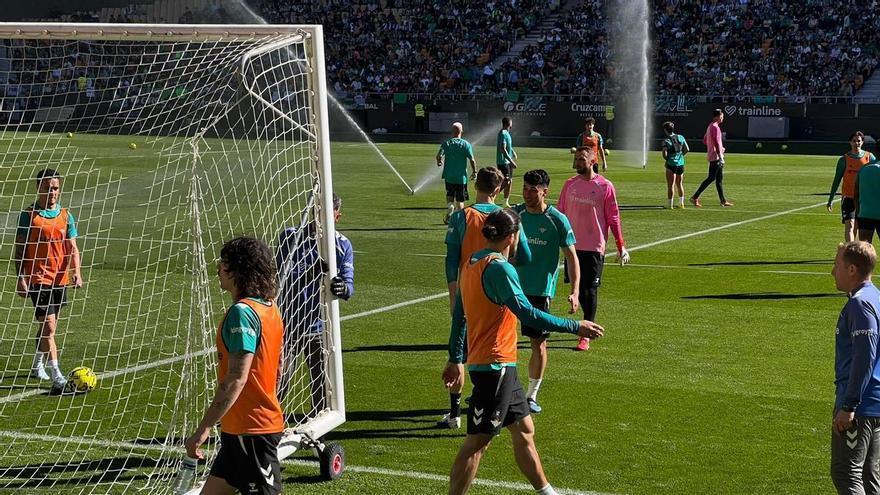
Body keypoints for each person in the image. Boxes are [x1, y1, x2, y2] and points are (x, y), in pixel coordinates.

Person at [443, 209, 605, 495]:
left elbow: (459, 316)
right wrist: (574, 326)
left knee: (525, 431)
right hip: (495, 366)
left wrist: (455, 357)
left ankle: (547, 492)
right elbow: (528, 313)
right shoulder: (499, 269)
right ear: (513, 236)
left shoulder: (471, 262)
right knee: (476, 443)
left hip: (501, 365)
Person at [185, 236, 285, 495]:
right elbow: (279, 366)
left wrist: (204, 428)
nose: (218, 269)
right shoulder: (270, 309)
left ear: (238, 269)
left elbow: (236, 379)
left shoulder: (243, 313)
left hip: (251, 431)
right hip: (241, 430)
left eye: (223, 263)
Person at [439, 167, 532, 429]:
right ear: (498, 190)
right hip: (496, 295)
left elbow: (450, 260)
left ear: (475, 185)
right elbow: (525, 257)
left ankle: (455, 412)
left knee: (459, 349)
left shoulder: (461, 217)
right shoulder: (509, 217)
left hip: (467, 292)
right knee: (491, 350)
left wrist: (453, 294)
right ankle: (486, 404)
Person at [276, 194, 354, 412]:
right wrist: (311, 274)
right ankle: (269, 429)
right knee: (278, 381)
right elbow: (282, 278)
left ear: (338, 216)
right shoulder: (290, 237)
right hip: (288, 325)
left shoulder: (342, 245)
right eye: (317, 211)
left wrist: (342, 288)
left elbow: (349, 285)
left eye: (328, 214)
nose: (320, 218)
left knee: (322, 388)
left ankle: (318, 435)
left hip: (319, 327)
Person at [512, 169, 579, 414]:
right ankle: (500, 389)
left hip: (539, 291)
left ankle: (531, 395)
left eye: (533, 190)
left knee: (537, 344)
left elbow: (572, 256)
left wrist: (575, 290)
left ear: (545, 192)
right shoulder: (514, 214)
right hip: (510, 288)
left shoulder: (557, 219)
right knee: (501, 339)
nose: (528, 194)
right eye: (525, 189)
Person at [14, 168, 83, 394]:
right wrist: (21, 278)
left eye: (55, 188)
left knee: (48, 328)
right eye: (47, 188)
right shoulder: (29, 215)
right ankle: (57, 375)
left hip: (60, 279)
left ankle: (38, 363)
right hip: (38, 278)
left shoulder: (66, 215)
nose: (52, 192)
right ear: (38, 188)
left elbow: (72, 247)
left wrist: (77, 272)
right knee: (49, 326)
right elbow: (20, 248)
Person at [558, 150, 629, 351]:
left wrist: (620, 244)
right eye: (576, 159)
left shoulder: (605, 186)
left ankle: (586, 334)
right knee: (577, 288)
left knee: (589, 290)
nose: (577, 162)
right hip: (571, 246)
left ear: (592, 162)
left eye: (581, 159)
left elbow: (613, 217)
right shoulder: (569, 184)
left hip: (594, 246)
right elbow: (560, 212)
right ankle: (583, 320)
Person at [829, 241, 880, 494]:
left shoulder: (860, 305)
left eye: (836, 265)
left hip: (860, 405)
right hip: (874, 402)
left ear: (851, 270)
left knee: (846, 473)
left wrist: (849, 405)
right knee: (869, 475)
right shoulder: (876, 297)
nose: (832, 271)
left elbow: (865, 356)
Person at [828, 131, 875, 242]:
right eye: (854, 141)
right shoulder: (844, 160)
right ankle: (851, 251)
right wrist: (830, 199)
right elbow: (837, 180)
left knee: (859, 227)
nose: (856, 143)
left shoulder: (869, 157)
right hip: (848, 197)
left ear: (862, 142)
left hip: (864, 199)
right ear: (850, 142)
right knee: (850, 226)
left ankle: (856, 251)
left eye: (858, 141)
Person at [691, 109, 733, 207]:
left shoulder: (710, 127)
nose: (723, 118)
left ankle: (723, 200)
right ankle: (695, 197)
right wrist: (720, 155)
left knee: (718, 179)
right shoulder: (715, 128)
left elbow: (705, 140)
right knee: (712, 178)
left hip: (713, 155)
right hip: (716, 157)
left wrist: (711, 147)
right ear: (717, 116)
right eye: (722, 116)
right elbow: (717, 143)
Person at [437, 122, 477, 224]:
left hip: (449, 176)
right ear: (461, 131)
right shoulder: (466, 144)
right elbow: (472, 160)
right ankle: (458, 220)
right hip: (461, 178)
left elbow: (439, 155)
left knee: (450, 196)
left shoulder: (446, 143)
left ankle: (450, 206)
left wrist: (439, 161)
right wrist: (474, 171)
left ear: (452, 131)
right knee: (460, 201)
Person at [661, 121, 689, 209]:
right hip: (680, 163)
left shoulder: (666, 141)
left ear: (665, 130)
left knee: (670, 185)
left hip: (671, 164)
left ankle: (670, 205)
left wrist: (669, 159)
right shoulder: (681, 137)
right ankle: (681, 203)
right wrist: (680, 156)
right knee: (679, 184)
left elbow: (664, 154)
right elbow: (687, 149)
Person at [855, 157, 880, 244]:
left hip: (865, 214)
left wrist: (858, 213)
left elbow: (856, 193)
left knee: (865, 249)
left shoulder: (863, 168)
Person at [496, 117, 519, 207]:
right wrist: (511, 161)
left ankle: (505, 202)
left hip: (507, 162)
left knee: (510, 181)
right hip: (503, 162)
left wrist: (513, 152)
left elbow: (508, 147)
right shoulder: (502, 134)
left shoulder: (507, 133)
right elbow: (503, 149)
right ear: (509, 123)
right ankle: (492, 196)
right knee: (506, 181)